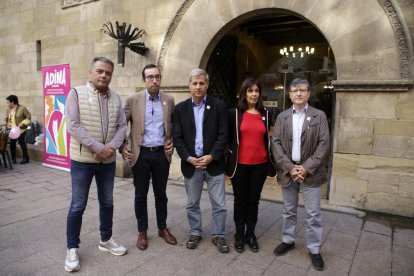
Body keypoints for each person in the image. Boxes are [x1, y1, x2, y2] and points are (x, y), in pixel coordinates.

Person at [64, 57, 128, 272]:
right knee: (78, 205)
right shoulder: (76, 93)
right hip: (83, 161)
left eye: (108, 73)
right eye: (100, 71)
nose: (104, 76)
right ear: (91, 71)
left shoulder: (116, 98)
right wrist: (99, 148)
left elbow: (122, 126)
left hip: (107, 162)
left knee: (107, 202)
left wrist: (110, 147)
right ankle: (72, 248)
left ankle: (106, 239)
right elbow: (73, 125)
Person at [271, 78, 330, 271]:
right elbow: (276, 143)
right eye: (294, 90)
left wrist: (306, 167)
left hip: (310, 173)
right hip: (289, 172)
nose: (298, 94)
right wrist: (289, 167)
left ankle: (314, 249)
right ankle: (288, 240)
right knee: (289, 210)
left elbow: (324, 144)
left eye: (302, 90)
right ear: (289, 94)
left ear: (309, 93)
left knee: (313, 214)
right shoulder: (283, 117)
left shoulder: (319, 116)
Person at [121, 64, 177, 250]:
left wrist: (173, 142)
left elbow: (175, 126)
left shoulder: (169, 100)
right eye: (150, 77)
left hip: (161, 154)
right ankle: (142, 231)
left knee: (161, 194)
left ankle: (162, 228)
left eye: (157, 77)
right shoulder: (132, 100)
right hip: (141, 154)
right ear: (143, 80)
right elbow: (121, 126)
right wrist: (122, 147)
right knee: (140, 194)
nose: (154, 80)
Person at [173, 68, 229, 253]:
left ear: (207, 85)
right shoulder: (180, 109)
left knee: (219, 204)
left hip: (214, 164)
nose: (198, 87)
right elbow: (177, 138)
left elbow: (223, 135)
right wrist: (189, 158)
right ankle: (195, 232)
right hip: (192, 165)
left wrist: (212, 156)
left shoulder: (219, 105)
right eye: (194, 83)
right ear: (189, 85)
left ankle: (219, 235)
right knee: (192, 203)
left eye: (201, 83)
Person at [226, 78, 276, 253]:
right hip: (239, 165)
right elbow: (227, 139)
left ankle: (251, 234)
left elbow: (268, 140)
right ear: (244, 93)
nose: (254, 94)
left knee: (253, 201)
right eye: (250, 91)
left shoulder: (267, 114)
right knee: (240, 201)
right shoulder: (234, 113)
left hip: (260, 165)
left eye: (256, 91)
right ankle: (239, 235)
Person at [5, 95, 31, 164]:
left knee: (22, 143)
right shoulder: (8, 108)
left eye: (8, 102)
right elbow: (9, 117)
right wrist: (7, 119)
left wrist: (23, 123)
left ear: (12, 102)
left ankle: (26, 158)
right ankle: (13, 158)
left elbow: (29, 117)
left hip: (20, 129)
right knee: (12, 144)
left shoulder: (22, 108)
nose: (7, 103)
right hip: (12, 130)